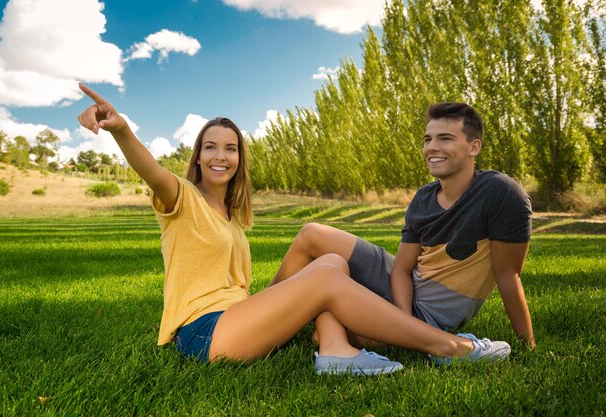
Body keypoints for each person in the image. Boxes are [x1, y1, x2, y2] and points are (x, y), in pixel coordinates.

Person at [77, 86, 511, 375]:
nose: (220, 156)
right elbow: (152, 171)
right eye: (210, 147)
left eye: (230, 148)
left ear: (239, 159)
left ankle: (336, 350)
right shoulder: (181, 198)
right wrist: (122, 130)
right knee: (324, 276)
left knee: (328, 259)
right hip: (203, 333)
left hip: (237, 318)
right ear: (198, 156)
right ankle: (448, 347)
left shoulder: (230, 215)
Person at [270, 102, 536, 360]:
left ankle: (315, 331)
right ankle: (258, 310)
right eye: (427, 139)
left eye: (445, 138)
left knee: (331, 323)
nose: (432, 147)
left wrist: (529, 345)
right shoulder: (423, 198)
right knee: (312, 234)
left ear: (473, 147)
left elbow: (507, 275)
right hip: (401, 291)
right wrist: (402, 319)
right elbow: (401, 269)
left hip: (429, 314)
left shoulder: (501, 193)